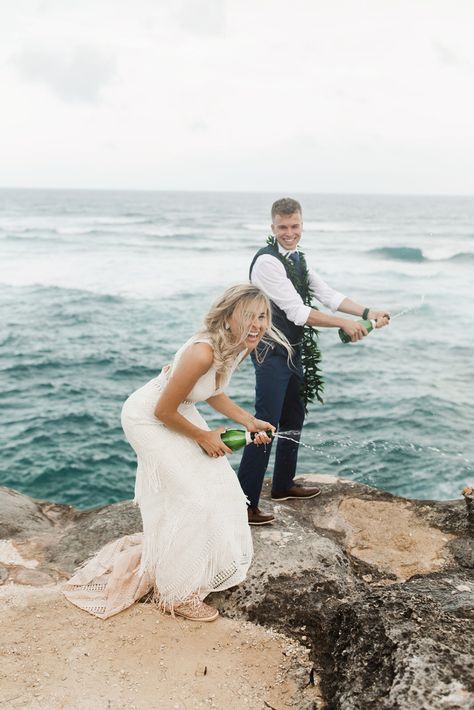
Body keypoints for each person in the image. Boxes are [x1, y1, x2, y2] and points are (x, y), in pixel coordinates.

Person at [64, 284, 289, 622]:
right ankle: (177, 595)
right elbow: (162, 411)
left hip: (177, 410)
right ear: (229, 317)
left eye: (262, 316)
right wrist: (203, 436)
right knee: (193, 499)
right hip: (148, 416)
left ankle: (194, 565)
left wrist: (249, 420)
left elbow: (212, 392)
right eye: (249, 316)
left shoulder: (236, 345)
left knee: (223, 487)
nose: (257, 324)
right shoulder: (202, 351)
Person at [238, 198, 390, 525]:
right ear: (272, 228)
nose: (289, 233)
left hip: (293, 350)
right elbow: (298, 311)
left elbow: (328, 295)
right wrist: (343, 324)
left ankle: (282, 485)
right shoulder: (268, 263)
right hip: (269, 351)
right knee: (265, 423)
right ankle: (245, 503)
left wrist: (367, 313)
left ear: (302, 226)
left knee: (294, 414)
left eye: (294, 227)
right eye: (283, 228)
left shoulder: (297, 260)